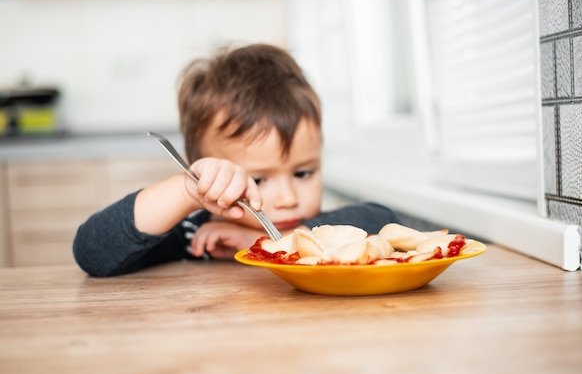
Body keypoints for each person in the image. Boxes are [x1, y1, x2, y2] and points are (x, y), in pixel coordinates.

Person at [73, 44, 401, 277]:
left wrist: (281, 243)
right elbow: (91, 252)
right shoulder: (195, 237)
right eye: (258, 180)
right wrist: (187, 192)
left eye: (303, 172)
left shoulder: (319, 230)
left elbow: (383, 219)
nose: (288, 199)